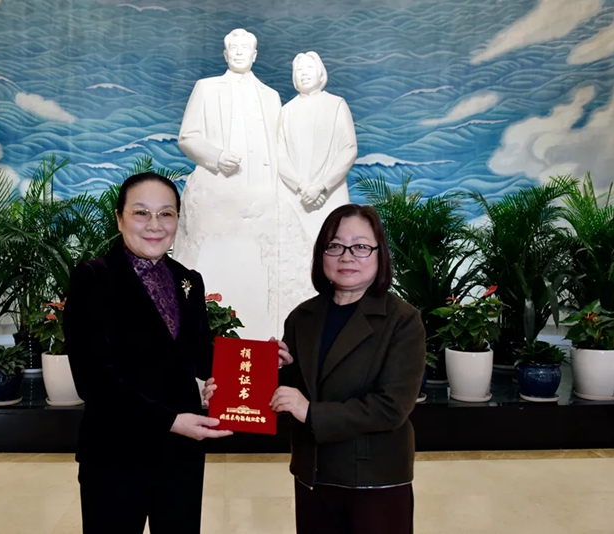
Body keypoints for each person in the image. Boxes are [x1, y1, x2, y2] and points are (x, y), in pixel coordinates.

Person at [63, 172, 233, 534]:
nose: (155, 225)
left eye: (166, 213)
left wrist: (255, 363)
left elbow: (201, 355)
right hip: (115, 454)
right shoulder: (93, 278)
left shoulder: (188, 281)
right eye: (141, 213)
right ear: (119, 218)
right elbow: (93, 380)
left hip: (182, 454)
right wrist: (169, 421)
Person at [271, 204, 426, 534]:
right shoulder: (303, 317)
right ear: (321, 254)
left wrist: (311, 412)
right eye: (335, 245)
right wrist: (270, 374)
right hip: (313, 474)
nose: (346, 256)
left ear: (379, 254)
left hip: (374, 481)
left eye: (360, 246)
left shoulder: (402, 320)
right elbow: (295, 393)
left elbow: (391, 407)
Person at [173, 27, 282, 341]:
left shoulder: (271, 97)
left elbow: (280, 149)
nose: (239, 53)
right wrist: (217, 157)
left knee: (258, 278)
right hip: (216, 199)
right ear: (224, 54)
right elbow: (188, 137)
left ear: (255, 55)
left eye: (245, 48)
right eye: (233, 48)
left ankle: (260, 345)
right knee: (212, 270)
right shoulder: (207, 89)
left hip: (260, 202)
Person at [277, 51, 358, 325]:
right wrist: (302, 186)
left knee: (334, 249)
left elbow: (348, 149)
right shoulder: (286, 112)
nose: (303, 73)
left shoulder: (336, 105)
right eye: (299, 69)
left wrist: (322, 186)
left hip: (330, 196)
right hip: (295, 197)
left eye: (309, 68)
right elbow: (279, 156)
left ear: (321, 73)